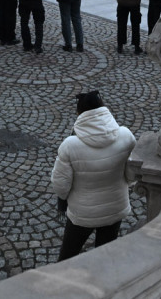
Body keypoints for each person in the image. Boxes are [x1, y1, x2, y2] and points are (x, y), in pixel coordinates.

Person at [51, 90, 136, 261]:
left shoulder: (70, 145)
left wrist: (65, 200)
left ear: (79, 113)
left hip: (82, 213)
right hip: (115, 209)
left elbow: (61, 186)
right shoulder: (126, 136)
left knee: (68, 256)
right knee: (105, 256)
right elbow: (131, 176)